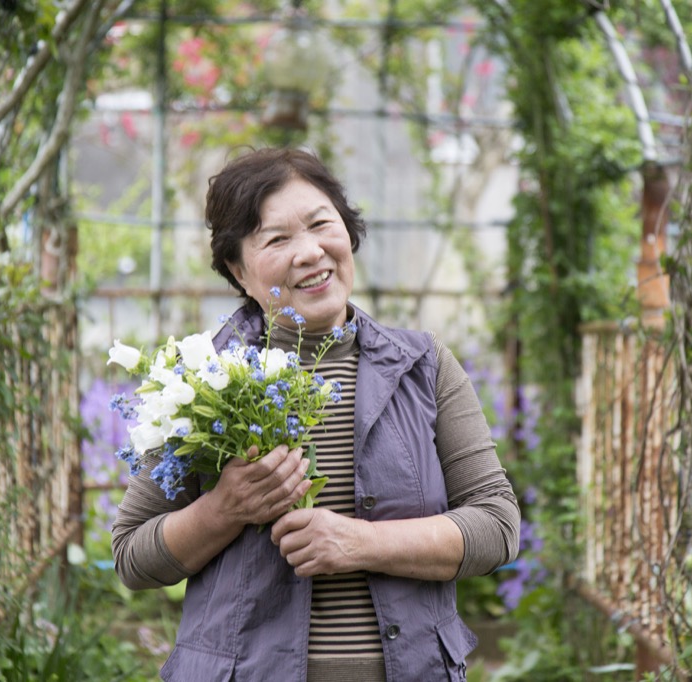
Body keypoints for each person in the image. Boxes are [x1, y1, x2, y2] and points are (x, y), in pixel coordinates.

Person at [112, 147, 520, 682]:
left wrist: (359, 542)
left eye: (321, 224)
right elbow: (132, 556)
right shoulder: (201, 383)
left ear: (347, 233)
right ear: (239, 270)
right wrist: (224, 509)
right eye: (277, 239)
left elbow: (497, 524)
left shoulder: (425, 367)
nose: (309, 252)